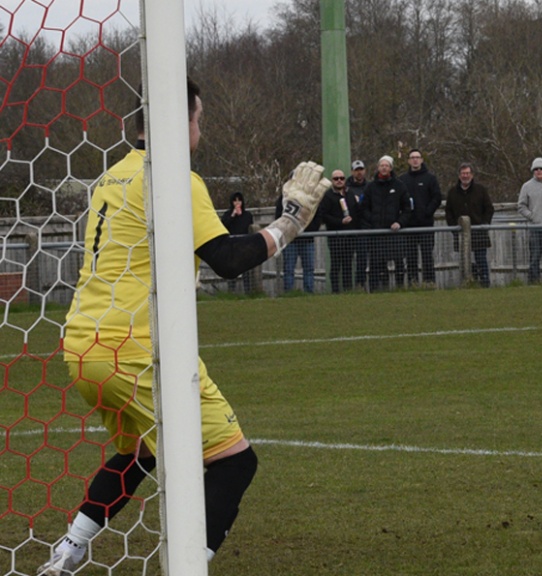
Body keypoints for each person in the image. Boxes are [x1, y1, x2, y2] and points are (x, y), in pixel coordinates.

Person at [41, 78, 329, 576]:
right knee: (235, 462)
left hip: (83, 345)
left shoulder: (111, 176)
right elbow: (228, 259)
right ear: (180, 121)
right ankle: (190, 566)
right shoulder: (173, 175)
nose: (200, 129)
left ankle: (67, 552)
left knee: (141, 453)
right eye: (198, 119)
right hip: (137, 347)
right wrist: (291, 221)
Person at [359, 155, 412, 292]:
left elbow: (407, 208)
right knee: (377, 265)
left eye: (386, 165)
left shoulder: (399, 186)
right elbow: (364, 208)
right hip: (377, 234)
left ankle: (400, 289)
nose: (384, 168)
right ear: (377, 168)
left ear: (391, 168)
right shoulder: (370, 187)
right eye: (381, 165)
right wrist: (373, 221)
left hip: (395, 233)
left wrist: (399, 222)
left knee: (399, 263)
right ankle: (378, 291)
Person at [445, 162, 494, 287]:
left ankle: (484, 284)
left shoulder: (481, 190)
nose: (465, 176)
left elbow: (489, 209)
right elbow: (448, 212)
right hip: (461, 233)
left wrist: (485, 224)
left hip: (479, 232)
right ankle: (466, 283)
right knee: (464, 261)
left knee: (481, 259)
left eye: (467, 173)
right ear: (459, 175)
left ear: (472, 175)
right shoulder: (452, 192)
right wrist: (454, 229)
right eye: (463, 174)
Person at [398, 149, 443, 286]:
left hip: (426, 224)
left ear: (422, 160)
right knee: (411, 257)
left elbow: (437, 197)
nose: (415, 160)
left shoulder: (430, 178)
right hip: (409, 226)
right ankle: (413, 283)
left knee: (427, 256)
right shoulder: (402, 180)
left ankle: (429, 283)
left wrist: (427, 211)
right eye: (412, 157)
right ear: (408, 161)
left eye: (417, 157)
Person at [320, 169, 362, 292]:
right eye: (336, 178)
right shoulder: (328, 196)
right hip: (335, 236)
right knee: (335, 265)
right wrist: (340, 221)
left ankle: (348, 290)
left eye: (342, 178)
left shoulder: (350, 194)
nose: (339, 181)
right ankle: (335, 291)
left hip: (350, 236)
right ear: (332, 181)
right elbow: (324, 215)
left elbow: (356, 212)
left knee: (348, 265)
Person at [275, 191, 322, 293]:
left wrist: (310, 230)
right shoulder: (284, 198)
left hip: (307, 239)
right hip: (290, 240)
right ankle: (289, 294)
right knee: (288, 269)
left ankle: (309, 292)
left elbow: (317, 215)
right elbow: (279, 216)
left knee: (309, 269)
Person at [220, 191, 255, 293]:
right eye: (235, 200)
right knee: (232, 270)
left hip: (244, 246)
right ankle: (231, 292)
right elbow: (224, 225)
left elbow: (249, 227)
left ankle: (248, 292)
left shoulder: (247, 215)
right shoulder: (227, 214)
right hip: (231, 247)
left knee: (246, 272)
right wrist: (233, 215)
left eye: (239, 200)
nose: (237, 202)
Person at [347, 160, 371, 290]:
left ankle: (361, 285)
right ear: (352, 172)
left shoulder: (370, 187)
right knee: (347, 261)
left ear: (365, 170)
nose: (359, 172)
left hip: (365, 228)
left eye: (361, 169)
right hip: (350, 228)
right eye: (356, 170)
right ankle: (347, 288)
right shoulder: (346, 188)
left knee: (362, 260)